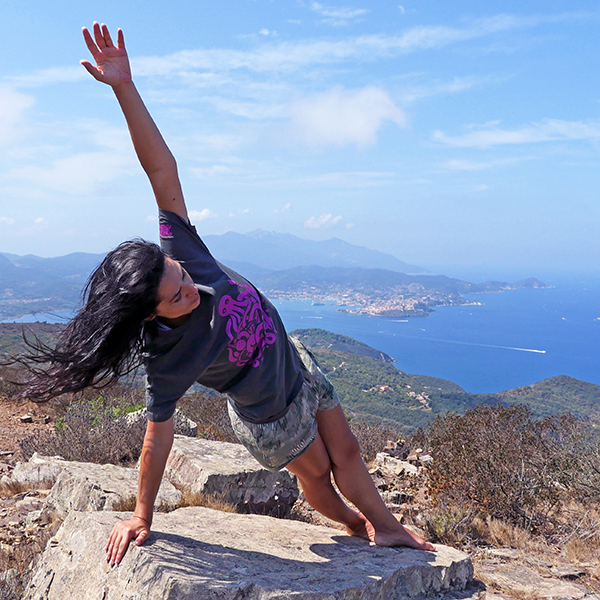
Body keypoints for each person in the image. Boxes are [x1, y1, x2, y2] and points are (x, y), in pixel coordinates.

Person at [26, 22, 436, 566]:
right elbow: (156, 441)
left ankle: (384, 527)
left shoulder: (182, 248)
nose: (192, 290)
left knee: (351, 453)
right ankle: (358, 523)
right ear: (152, 317)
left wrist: (124, 88)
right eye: (176, 298)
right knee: (319, 474)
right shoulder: (165, 360)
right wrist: (141, 517)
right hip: (269, 412)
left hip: (297, 364)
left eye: (180, 275)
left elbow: (160, 166)